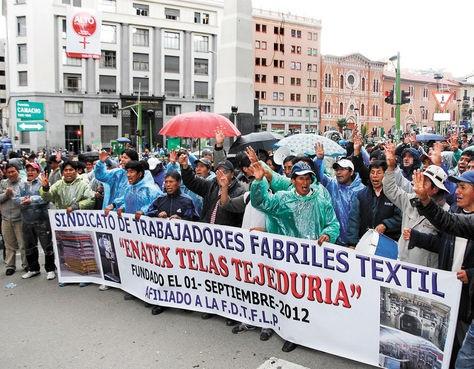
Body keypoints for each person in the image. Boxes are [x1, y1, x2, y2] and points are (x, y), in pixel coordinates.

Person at [250, 160, 340, 353]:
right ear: (293, 180)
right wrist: (258, 182)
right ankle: (293, 334)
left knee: (311, 298)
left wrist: (328, 234)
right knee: (290, 298)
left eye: (308, 178)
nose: (305, 182)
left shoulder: (321, 200)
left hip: (313, 260)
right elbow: (260, 202)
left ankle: (313, 334)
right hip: (288, 260)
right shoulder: (282, 199)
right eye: (301, 178)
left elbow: (333, 223)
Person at [404, 170, 474, 368]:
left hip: (469, 299)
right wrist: (417, 238)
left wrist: (471, 275)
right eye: (457, 187)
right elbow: (442, 242)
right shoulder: (455, 214)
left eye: (463, 187)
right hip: (450, 293)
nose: (457, 192)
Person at [382, 142, 449, 268]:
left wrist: (418, 238)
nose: (419, 183)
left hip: (425, 274)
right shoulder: (411, 200)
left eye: (425, 182)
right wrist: (390, 167)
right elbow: (390, 190)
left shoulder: (446, 212)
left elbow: (445, 245)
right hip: (402, 264)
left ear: (435, 189)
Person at [144, 171, 198, 316]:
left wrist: (181, 219)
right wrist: (157, 214)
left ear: (178, 183)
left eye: (171, 182)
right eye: (166, 182)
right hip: (163, 246)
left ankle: (185, 302)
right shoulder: (160, 199)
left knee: (182, 274)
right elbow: (148, 213)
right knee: (163, 273)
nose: (167, 185)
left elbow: (196, 220)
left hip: (181, 246)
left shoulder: (187, 200)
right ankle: (161, 302)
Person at [314, 143, 365, 246]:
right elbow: (319, 177)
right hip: (334, 239)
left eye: (342, 169)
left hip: (356, 242)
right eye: (337, 169)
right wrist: (319, 160)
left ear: (351, 172)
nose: (338, 172)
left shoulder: (361, 189)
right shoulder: (332, 184)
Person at [347, 160, 402, 246]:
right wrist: (352, 244)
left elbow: (401, 217)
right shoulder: (360, 195)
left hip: (388, 244)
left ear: (385, 175)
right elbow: (354, 221)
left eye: (379, 173)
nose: (375, 176)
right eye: (372, 173)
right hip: (365, 243)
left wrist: (386, 225)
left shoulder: (394, 195)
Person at [19, 162, 56, 280]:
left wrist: (31, 200)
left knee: (47, 245)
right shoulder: (22, 184)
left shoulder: (42, 183)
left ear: (37, 172)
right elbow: (15, 197)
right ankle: (33, 269)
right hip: (26, 219)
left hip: (42, 220)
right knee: (29, 245)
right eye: (28, 170)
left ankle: (50, 269)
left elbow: (45, 199)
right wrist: (21, 199)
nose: (30, 172)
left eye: (32, 170)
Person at [0, 163, 26, 275]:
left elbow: (27, 197)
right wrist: (6, 194)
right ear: (6, 173)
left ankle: (26, 265)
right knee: (8, 244)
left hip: (20, 218)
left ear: (18, 172)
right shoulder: (3, 183)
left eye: (13, 171)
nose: (11, 174)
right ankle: (10, 266)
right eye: (9, 172)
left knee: (23, 244)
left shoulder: (24, 183)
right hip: (6, 218)